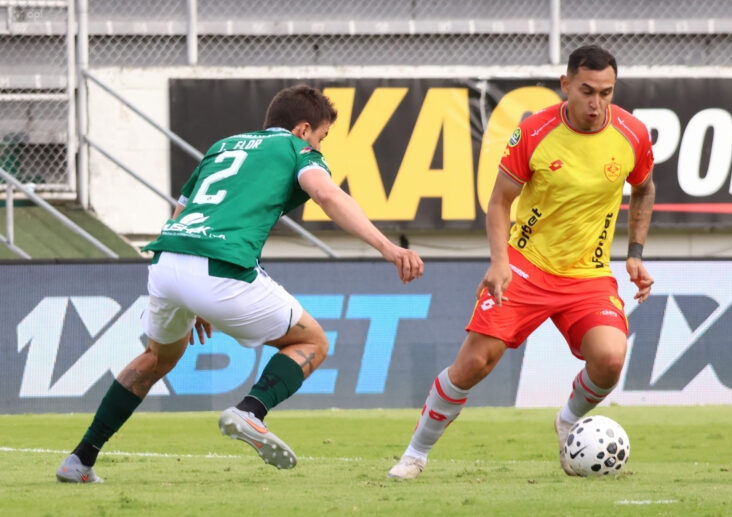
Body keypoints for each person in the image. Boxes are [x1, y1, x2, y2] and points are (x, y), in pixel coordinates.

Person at [56, 84, 424, 483]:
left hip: (167, 261)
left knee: (155, 358)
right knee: (313, 342)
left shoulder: (223, 147)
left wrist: (190, 297)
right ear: (303, 130)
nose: (321, 145)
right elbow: (327, 195)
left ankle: (80, 459)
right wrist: (389, 247)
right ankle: (252, 409)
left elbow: (181, 210)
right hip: (221, 268)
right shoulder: (297, 150)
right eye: (322, 136)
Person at [387, 44, 655, 479]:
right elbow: (499, 202)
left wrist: (635, 254)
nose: (596, 103)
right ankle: (416, 453)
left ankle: (568, 419)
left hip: (587, 275)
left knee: (610, 358)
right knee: (474, 363)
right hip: (526, 266)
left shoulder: (632, 134)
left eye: (606, 93)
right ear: (565, 84)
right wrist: (499, 261)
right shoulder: (534, 131)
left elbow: (643, 189)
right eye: (587, 91)